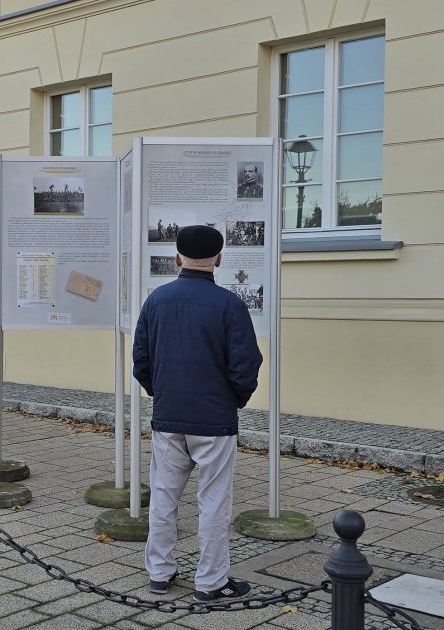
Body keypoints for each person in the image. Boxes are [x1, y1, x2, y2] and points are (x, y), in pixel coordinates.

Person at [132, 224, 263, 602]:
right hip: (215, 421)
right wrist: (232, 400)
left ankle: (159, 573)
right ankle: (210, 582)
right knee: (214, 501)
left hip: (169, 415)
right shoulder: (230, 305)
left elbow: (142, 360)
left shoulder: (156, 300)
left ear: (177, 257)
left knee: (163, 496)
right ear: (219, 260)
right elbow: (245, 366)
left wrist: (162, 393)